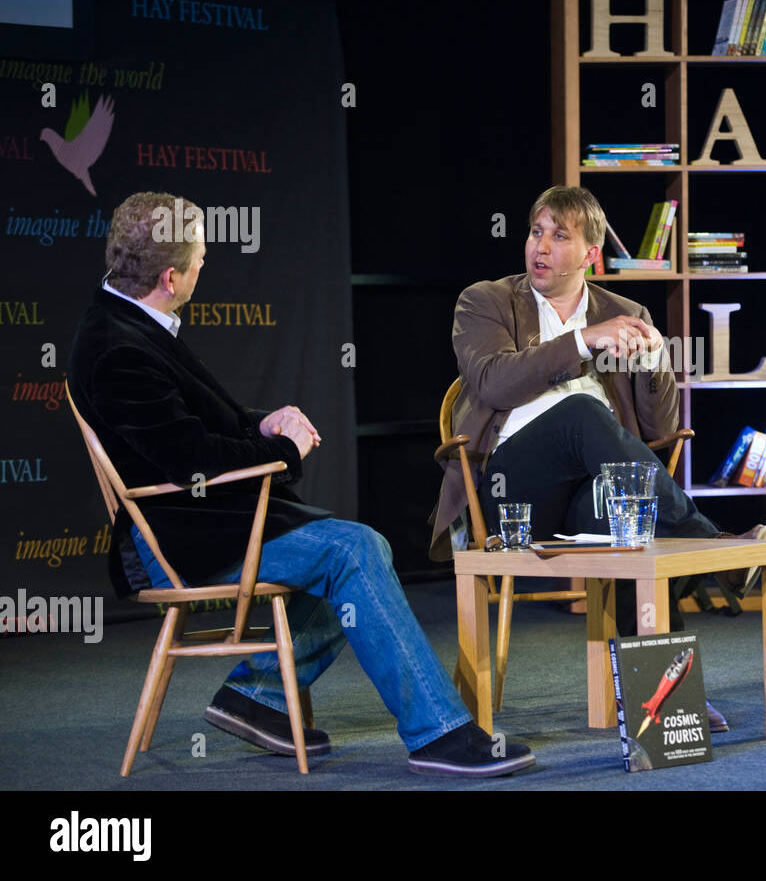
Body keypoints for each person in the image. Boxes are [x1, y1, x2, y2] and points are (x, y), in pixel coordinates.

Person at [68, 191, 533, 777]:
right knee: (354, 549)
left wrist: (261, 423)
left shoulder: (130, 318)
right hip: (178, 541)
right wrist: (281, 450)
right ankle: (438, 732)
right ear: (169, 276)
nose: (206, 263)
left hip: (205, 521)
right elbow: (190, 460)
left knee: (361, 545)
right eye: (201, 257)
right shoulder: (116, 349)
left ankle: (258, 696)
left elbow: (189, 426)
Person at [429, 186, 766, 729]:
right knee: (584, 413)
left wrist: (657, 360)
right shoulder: (486, 300)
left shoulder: (625, 312)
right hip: (513, 495)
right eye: (536, 231)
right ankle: (707, 542)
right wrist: (584, 342)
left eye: (560, 236)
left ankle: (667, 700)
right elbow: (491, 383)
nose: (540, 246)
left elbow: (657, 431)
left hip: (591, 496)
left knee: (631, 512)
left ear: (591, 254)